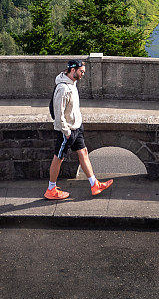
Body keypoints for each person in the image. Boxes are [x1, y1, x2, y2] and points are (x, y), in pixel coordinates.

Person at [44, 59, 113, 201]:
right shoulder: (63, 88)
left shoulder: (72, 84)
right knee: (58, 158)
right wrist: (67, 132)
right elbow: (59, 115)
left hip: (76, 128)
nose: (83, 74)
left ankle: (95, 185)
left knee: (83, 152)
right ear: (72, 70)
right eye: (81, 71)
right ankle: (51, 189)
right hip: (67, 131)